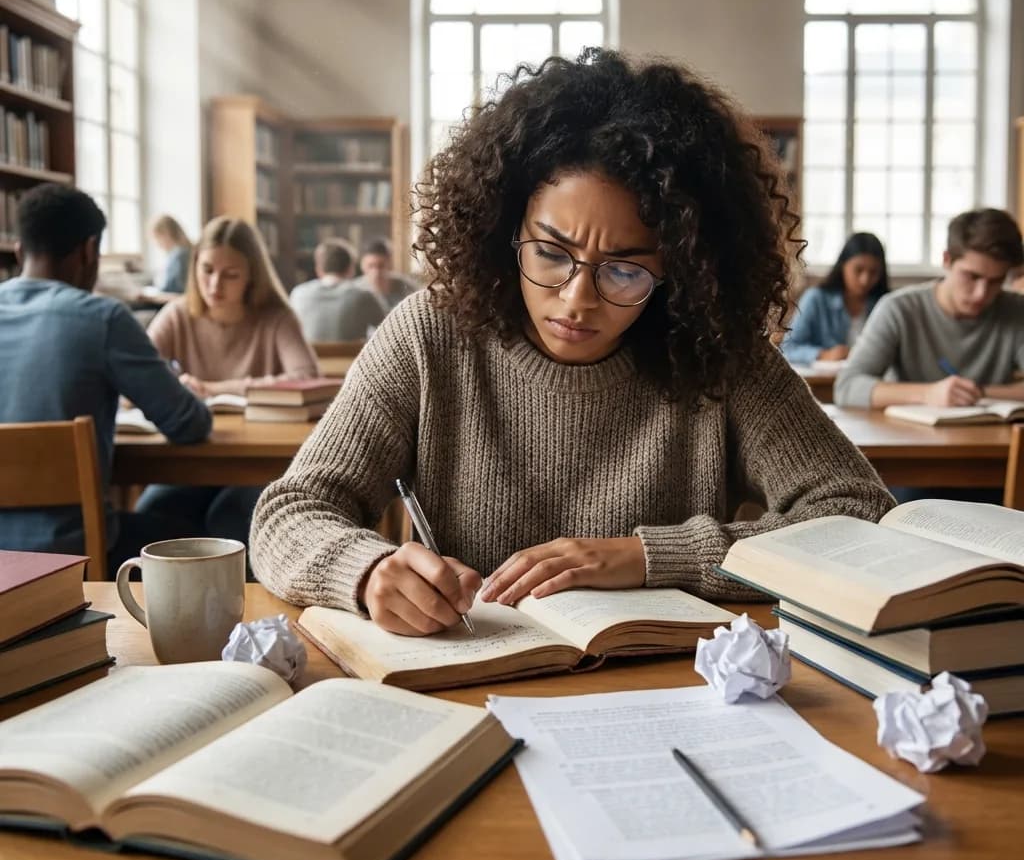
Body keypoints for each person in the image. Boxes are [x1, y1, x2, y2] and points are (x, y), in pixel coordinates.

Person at [249, 48, 892, 636]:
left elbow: (859, 514)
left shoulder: (718, 353)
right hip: (472, 684)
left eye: (625, 270)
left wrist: (649, 555)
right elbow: (288, 513)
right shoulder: (430, 334)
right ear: (505, 229)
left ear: (682, 269)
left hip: (671, 691)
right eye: (552, 253)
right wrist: (366, 571)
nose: (577, 298)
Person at [0, 184, 211, 568]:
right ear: (89, 250)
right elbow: (188, 424)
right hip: (72, 554)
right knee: (207, 530)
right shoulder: (102, 319)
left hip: (4, 560)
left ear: (18, 251)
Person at [137, 216, 320, 540]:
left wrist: (214, 389)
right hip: (189, 461)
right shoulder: (178, 314)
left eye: (230, 275)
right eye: (207, 270)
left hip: (258, 463)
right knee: (151, 516)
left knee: (230, 519)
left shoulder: (276, 317)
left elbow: (306, 377)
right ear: (194, 266)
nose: (215, 285)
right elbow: (137, 374)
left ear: (251, 276)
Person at [835, 209, 1024, 410]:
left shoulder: (1018, 309)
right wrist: (927, 394)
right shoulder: (898, 309)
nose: (981, 293)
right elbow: (847, 387)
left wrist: (975, 392)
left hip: (994, 440)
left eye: (996, 281)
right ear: (947, 259)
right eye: (972, 276)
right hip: (912, 439)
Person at [782, 232, 889, 366]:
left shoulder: (885, 303)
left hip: (872, 382)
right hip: (824, 384)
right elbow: (788, 348)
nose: (865, 280)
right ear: (843, 265)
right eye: (858, 270)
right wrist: (823, 355)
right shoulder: (816, 299)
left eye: (873, 272)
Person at [289, 238, 385, 342]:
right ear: (351, 269)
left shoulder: (297, 294)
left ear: (319, 269)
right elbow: (387, 332)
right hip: (351, 358)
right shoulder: (365, 296)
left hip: (311, 358)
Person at [355, 238, 419, 313]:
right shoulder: (356, 291)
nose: (376, 272)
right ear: (362, 265)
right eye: (371, 266)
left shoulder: (407, 286)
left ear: (390, 264)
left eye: (381, 266)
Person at [149, 214, 192, 297]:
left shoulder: (179, 255)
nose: (157, 244)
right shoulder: (182, 252)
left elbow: (171, 288)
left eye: (157, 238)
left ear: (166, 234)